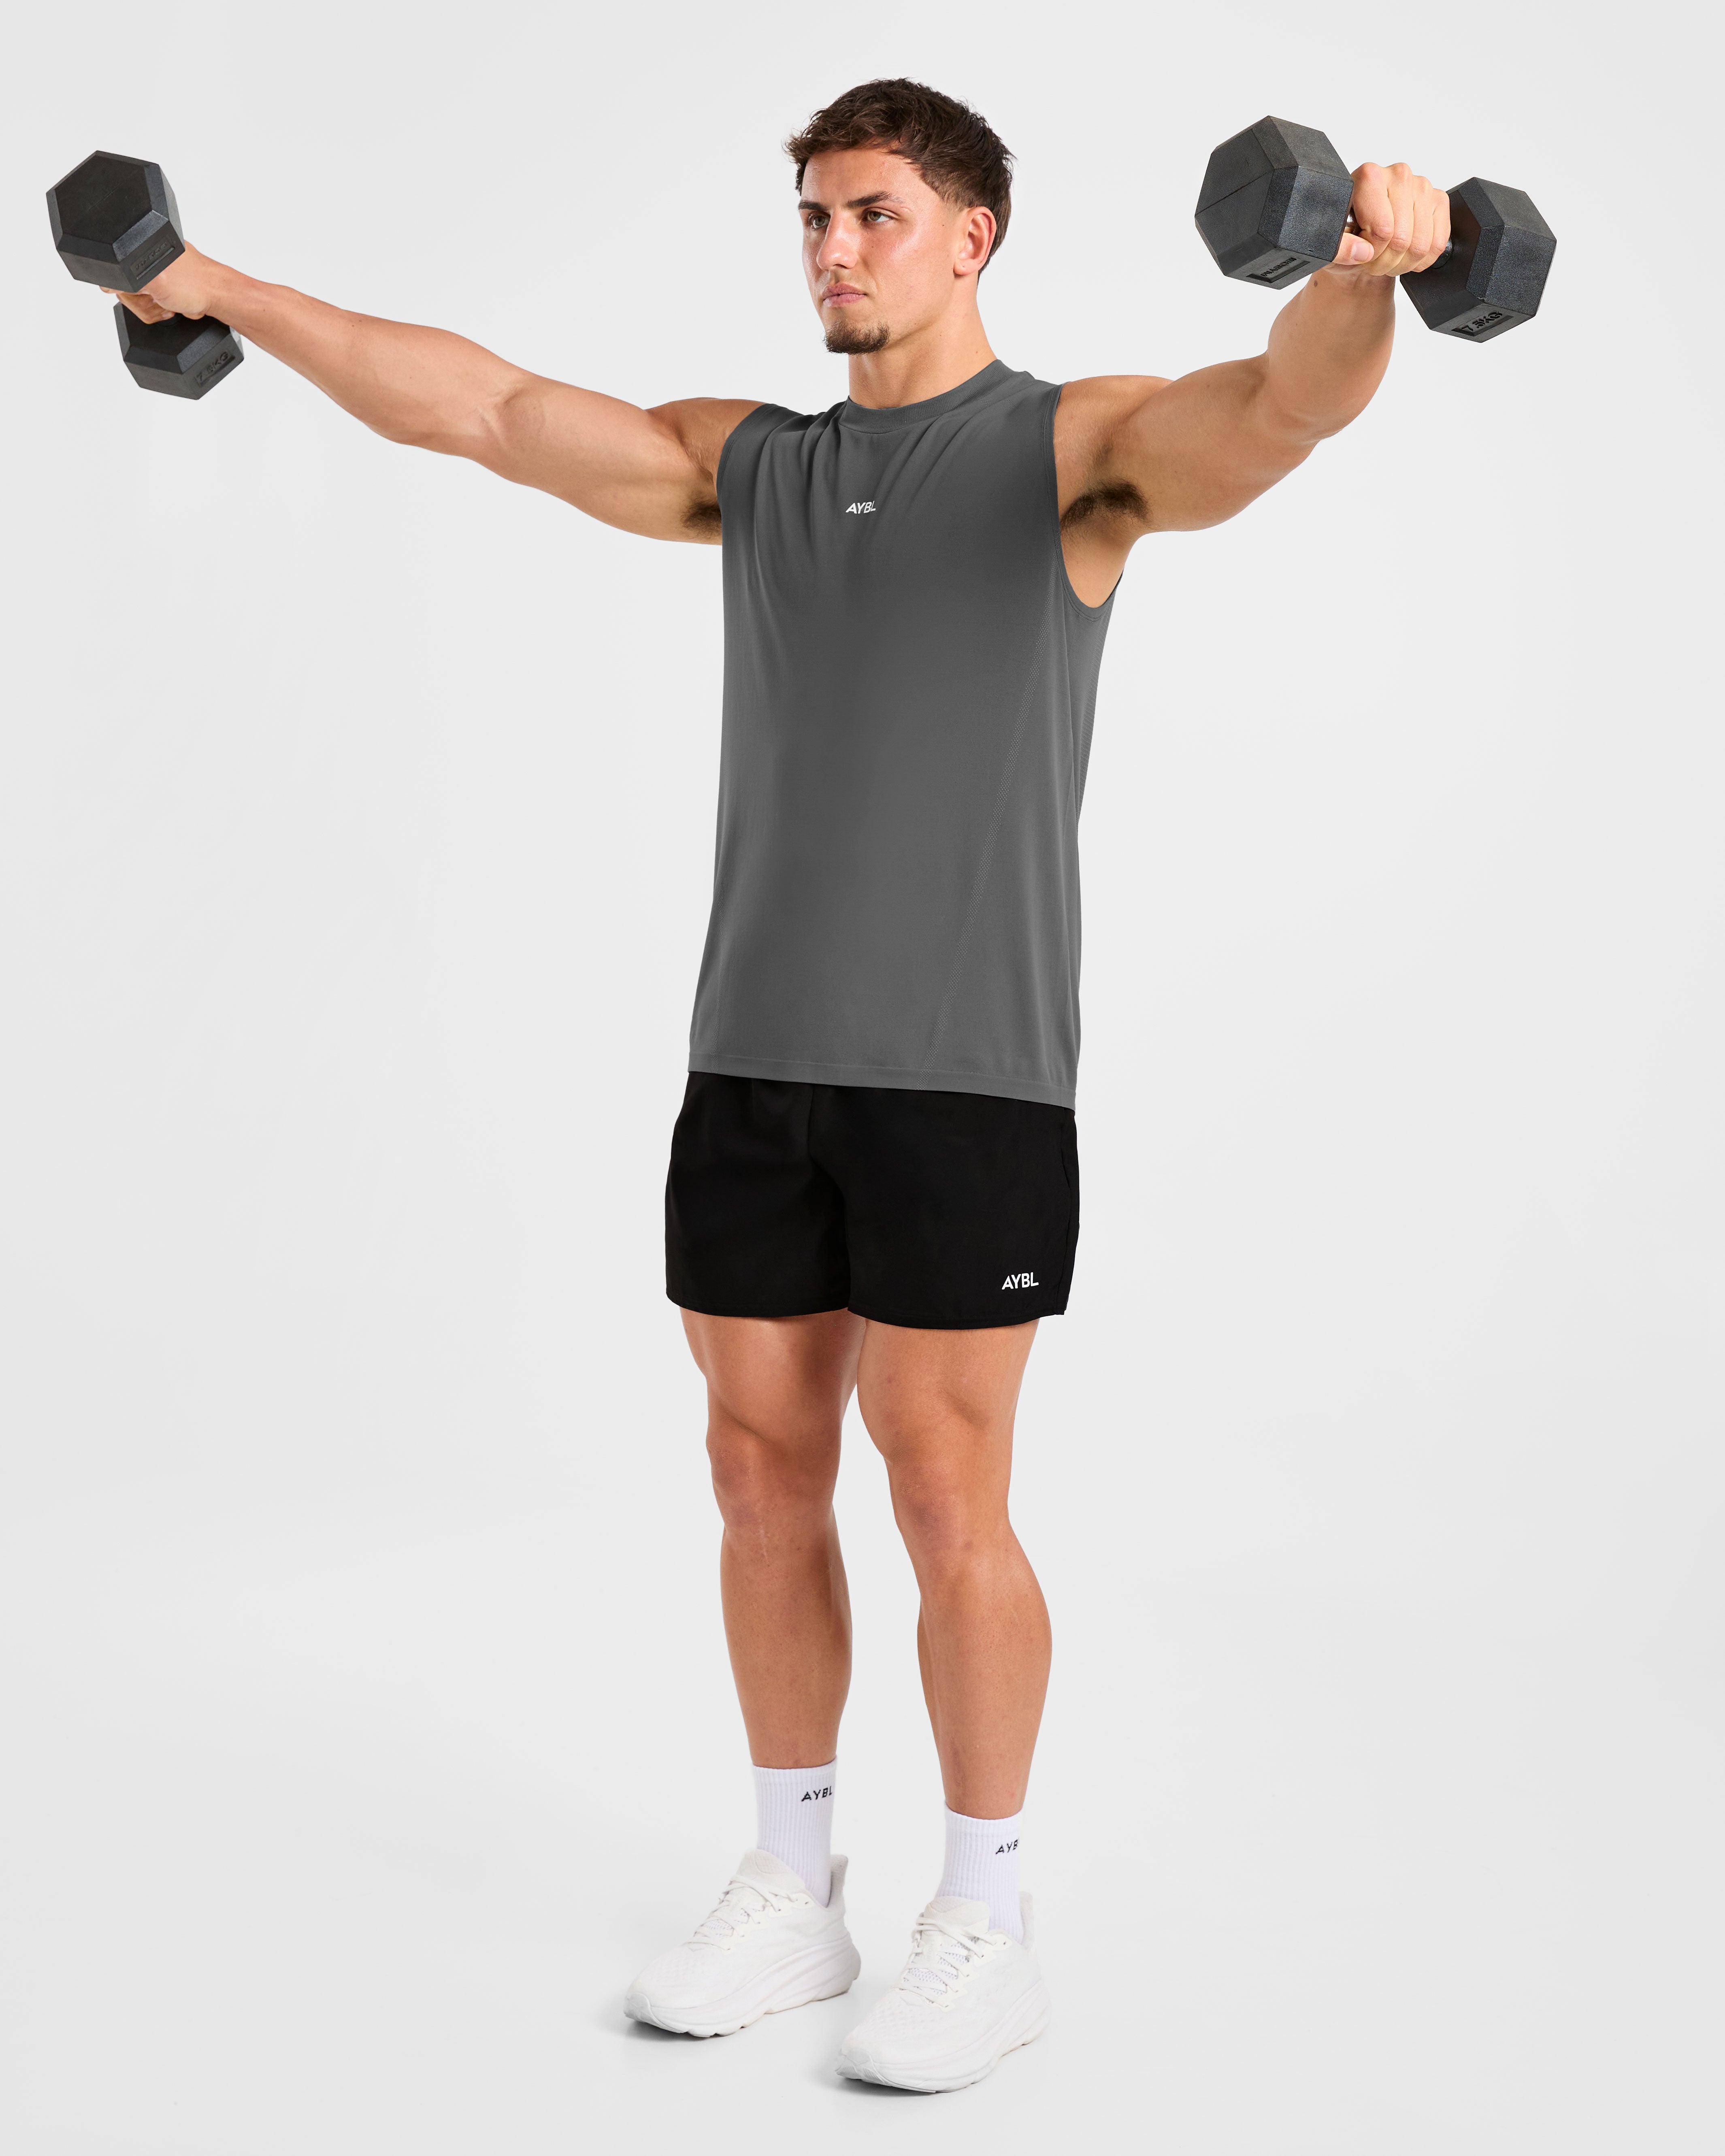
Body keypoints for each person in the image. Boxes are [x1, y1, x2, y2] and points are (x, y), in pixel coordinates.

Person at [106, 78, 1450, 2092]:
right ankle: (795, 1877)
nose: (834, 248)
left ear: (973, 235)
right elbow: (487, 408)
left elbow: (1277, 413)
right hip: (751, 1055)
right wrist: (214, 283)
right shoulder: (756, 467)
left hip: (968, 1074)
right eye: (815, 216)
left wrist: (1365, 276)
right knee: (758, 1468)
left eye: (874, 214)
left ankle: (987, 1913)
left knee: (945, 1483)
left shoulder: (1073, 452)